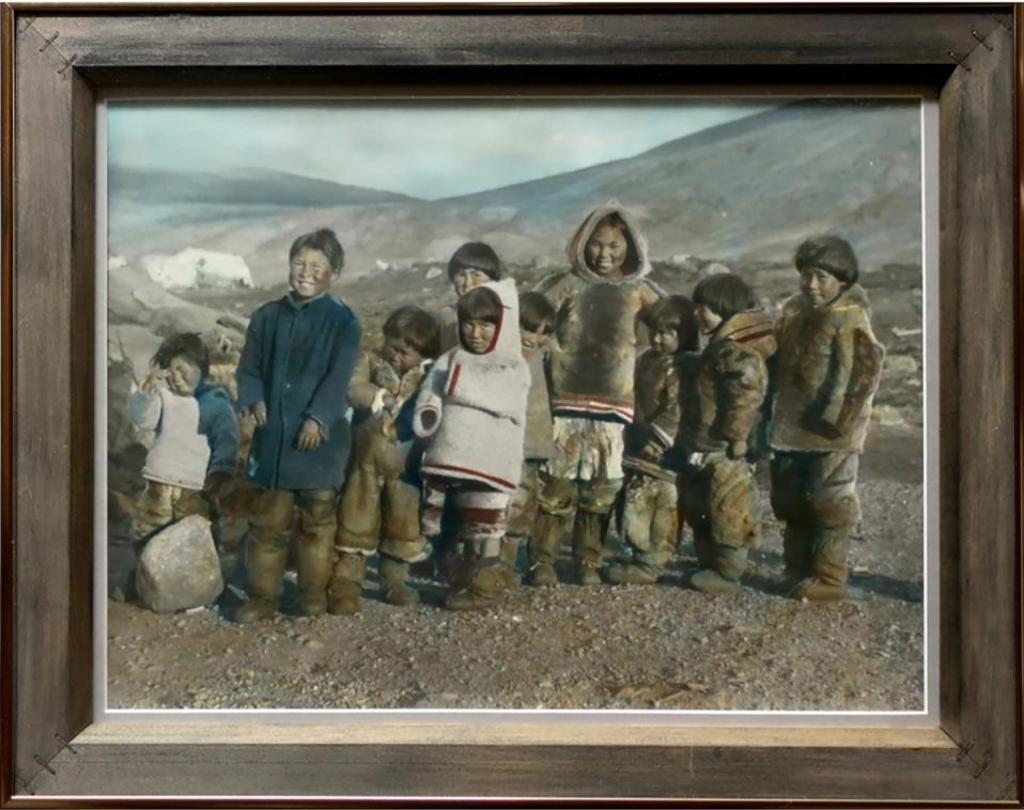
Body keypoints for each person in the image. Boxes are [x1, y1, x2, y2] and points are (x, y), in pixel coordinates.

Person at [530, 204, 663, 585]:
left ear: (631, 246)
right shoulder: (563, 285)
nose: (604, 254)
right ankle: (542, 561)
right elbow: (530, 323)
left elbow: (674, 329)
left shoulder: (641, 293)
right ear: (582, 243)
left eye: (614, 246)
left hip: (616, 409)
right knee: (555, 485)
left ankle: (587, 561)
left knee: (602, 489)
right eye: (596, 245)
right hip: (565, 406)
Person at [234, 227, 361, 622]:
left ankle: (310, 596)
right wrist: (253, 399)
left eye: (317, 266)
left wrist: (318, 418)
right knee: (267, 526)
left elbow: (338, 378)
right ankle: (263, 597)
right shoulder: (266, 317)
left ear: (333, 273)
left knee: (316, 527)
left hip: (319, 448)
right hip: (273, 444)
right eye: (299, 263)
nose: (306, 272)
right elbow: (249, 370)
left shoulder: (343, 322)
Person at [769, 236, 884, 601]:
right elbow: (776, 361)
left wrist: (836, 422)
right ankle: (797, 569)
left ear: (843, 280)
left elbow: (858, 373)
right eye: (806, 275)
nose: (811, 285)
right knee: (791, 500)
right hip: (790, 428)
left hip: (832, 433)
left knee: (828, 503)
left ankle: (829, 577)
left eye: (821, 277)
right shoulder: (792, 311)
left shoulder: (850, 318)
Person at [413, 278, 530, 610]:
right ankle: (460, 580)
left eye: (485, 326)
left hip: (491, 461)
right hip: (450, 456)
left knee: (485, 525)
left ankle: (484, 587)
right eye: (469, 324)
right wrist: (429, 410)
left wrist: (457, 384)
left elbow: (505, 401)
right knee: (451, 522)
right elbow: (432, 389)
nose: (475, 333)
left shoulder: (512, 365)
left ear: (502, 325)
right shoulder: (451, 357)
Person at [330, 306, 441, 614]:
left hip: (406, 468)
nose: (395, 356)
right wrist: (378, 396)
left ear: (422, 354)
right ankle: (345, 584)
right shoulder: (368, 361)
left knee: (402, 526)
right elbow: (352, 388)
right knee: (355, 519)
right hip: (364, 462)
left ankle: (393, 581)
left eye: (405, 352)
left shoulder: (430, 377)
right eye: (392, 346)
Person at [678, 273, 775, 594]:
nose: (697, 313)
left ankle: (727, 572)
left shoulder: (737, 353)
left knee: (727, 507)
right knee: (703, 504)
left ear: (724, 308)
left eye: (703, 307)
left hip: (725, 448)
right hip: (708, 444)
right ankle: (711, 563)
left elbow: (745, 397)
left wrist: (737, 437)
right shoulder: (719, 349)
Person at [605, 296, 699, 584]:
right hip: (637, 444)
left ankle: (652, 563)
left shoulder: (684, 366)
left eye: (666, 334)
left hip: (664, 452)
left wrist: (658, 438)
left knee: (661, 505)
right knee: (634, 502)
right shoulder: (646, 359)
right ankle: (637, 553)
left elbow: (677, 408)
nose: (657, 340)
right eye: (654, 332)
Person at [129, 332, 238, 543]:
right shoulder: (164, 397)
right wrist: (146, 392)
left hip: (195, 488)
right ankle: (148, 572)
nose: (176, 378)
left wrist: (220, 472)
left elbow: (226, 440)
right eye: (170, 372)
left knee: (192, 542)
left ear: (201, 366)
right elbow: (145, 420)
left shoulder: (216, 403)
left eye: (181, 370)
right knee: (148, 535)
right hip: (158, 483)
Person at [506, 291, 557, 587]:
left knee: (522, 509)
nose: (533, 338)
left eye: (543, 333)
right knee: (501, 508)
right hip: (505, 447)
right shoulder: (499, 358)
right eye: (527, 328)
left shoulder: (544, 359)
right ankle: (493, 566)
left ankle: (507, 564)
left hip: (534, 446)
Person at [438, 241, 503, 351]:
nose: (468, 283)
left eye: (476, 275)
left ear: (492, 279)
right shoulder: (446, 317)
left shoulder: (504, 315)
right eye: (461, 275)